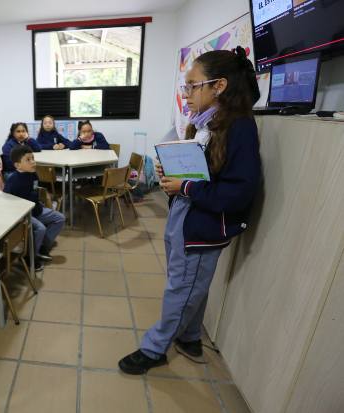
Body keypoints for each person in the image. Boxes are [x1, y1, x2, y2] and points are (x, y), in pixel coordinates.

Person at [118, 47, 262, 375]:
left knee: (182, 289)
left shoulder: (239, 128)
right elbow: (203, 173)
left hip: (202, 224)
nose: (186, 94)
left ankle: (154, 349)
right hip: (185, 215)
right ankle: (190, 337)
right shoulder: (205, 124)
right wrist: (174, 176)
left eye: (192, 86)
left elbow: (237, 193)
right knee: (188, 282)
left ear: (219, 86)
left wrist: (184, 187)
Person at [4, 145, 65, 271]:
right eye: (28, 159)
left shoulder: (33, 175)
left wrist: (43, 203)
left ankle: (42, 248)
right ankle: (29, 257)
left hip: (36, 209)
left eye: (33, 158)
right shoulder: (13, 180)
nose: (33, 162)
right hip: (23, 214)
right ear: (18, 165)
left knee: (60, 218)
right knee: (40, 228)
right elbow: (7, 201)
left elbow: (35, 192)